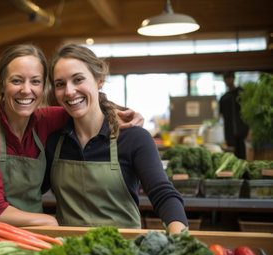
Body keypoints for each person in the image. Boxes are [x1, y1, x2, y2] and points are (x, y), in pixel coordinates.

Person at [0, 44, 143, 227]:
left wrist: (119, 111)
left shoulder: (45, 121)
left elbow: (83, 105)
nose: (26, 90)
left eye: (35, 81)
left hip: (35, 238)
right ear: (1, 84)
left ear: (43, 87)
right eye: (16, 81)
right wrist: (51, 222)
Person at [43, 44, 188, 234]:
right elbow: (30, 191)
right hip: (69, 254)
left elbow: (163, 194)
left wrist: (180, 239)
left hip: (122, 253)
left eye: (78, 79)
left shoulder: (134, 138)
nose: (69, 91)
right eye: (60, 84)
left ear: (99, 80)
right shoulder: (54, 142)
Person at [219, 71, 249, 159]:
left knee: (243, 158)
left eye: (230, 78)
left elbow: (249, 113)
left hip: (243, 133)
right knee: (231, 159)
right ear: (224, 80)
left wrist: (249, 133)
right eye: (226, 79)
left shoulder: (242, 93)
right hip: (229, 134)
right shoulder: (223, 98)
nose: (228, 80)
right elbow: (221, 117)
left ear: (233, 79)